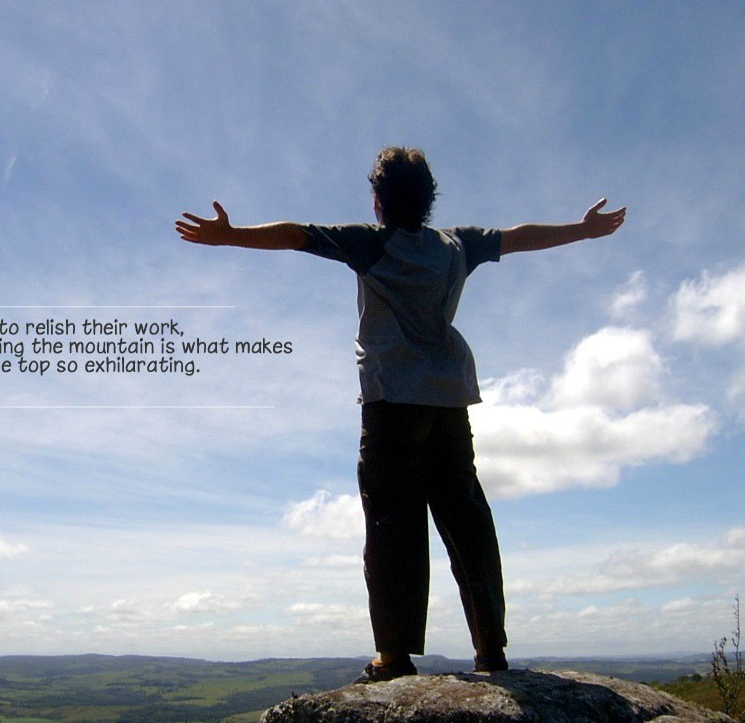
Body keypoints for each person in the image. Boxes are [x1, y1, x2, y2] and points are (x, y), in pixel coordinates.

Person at [175, 146, 626, 683]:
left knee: (393, 524)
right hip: (449, 400)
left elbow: (296, 235)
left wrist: (231, 235)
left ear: (378, 200)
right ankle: (490, 649)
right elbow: (519, 236)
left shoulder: (370, 242)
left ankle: (394, 655)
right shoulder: (457, 245)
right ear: (428, 199)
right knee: (467, 521)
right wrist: (583, 230)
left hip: (391, 402)